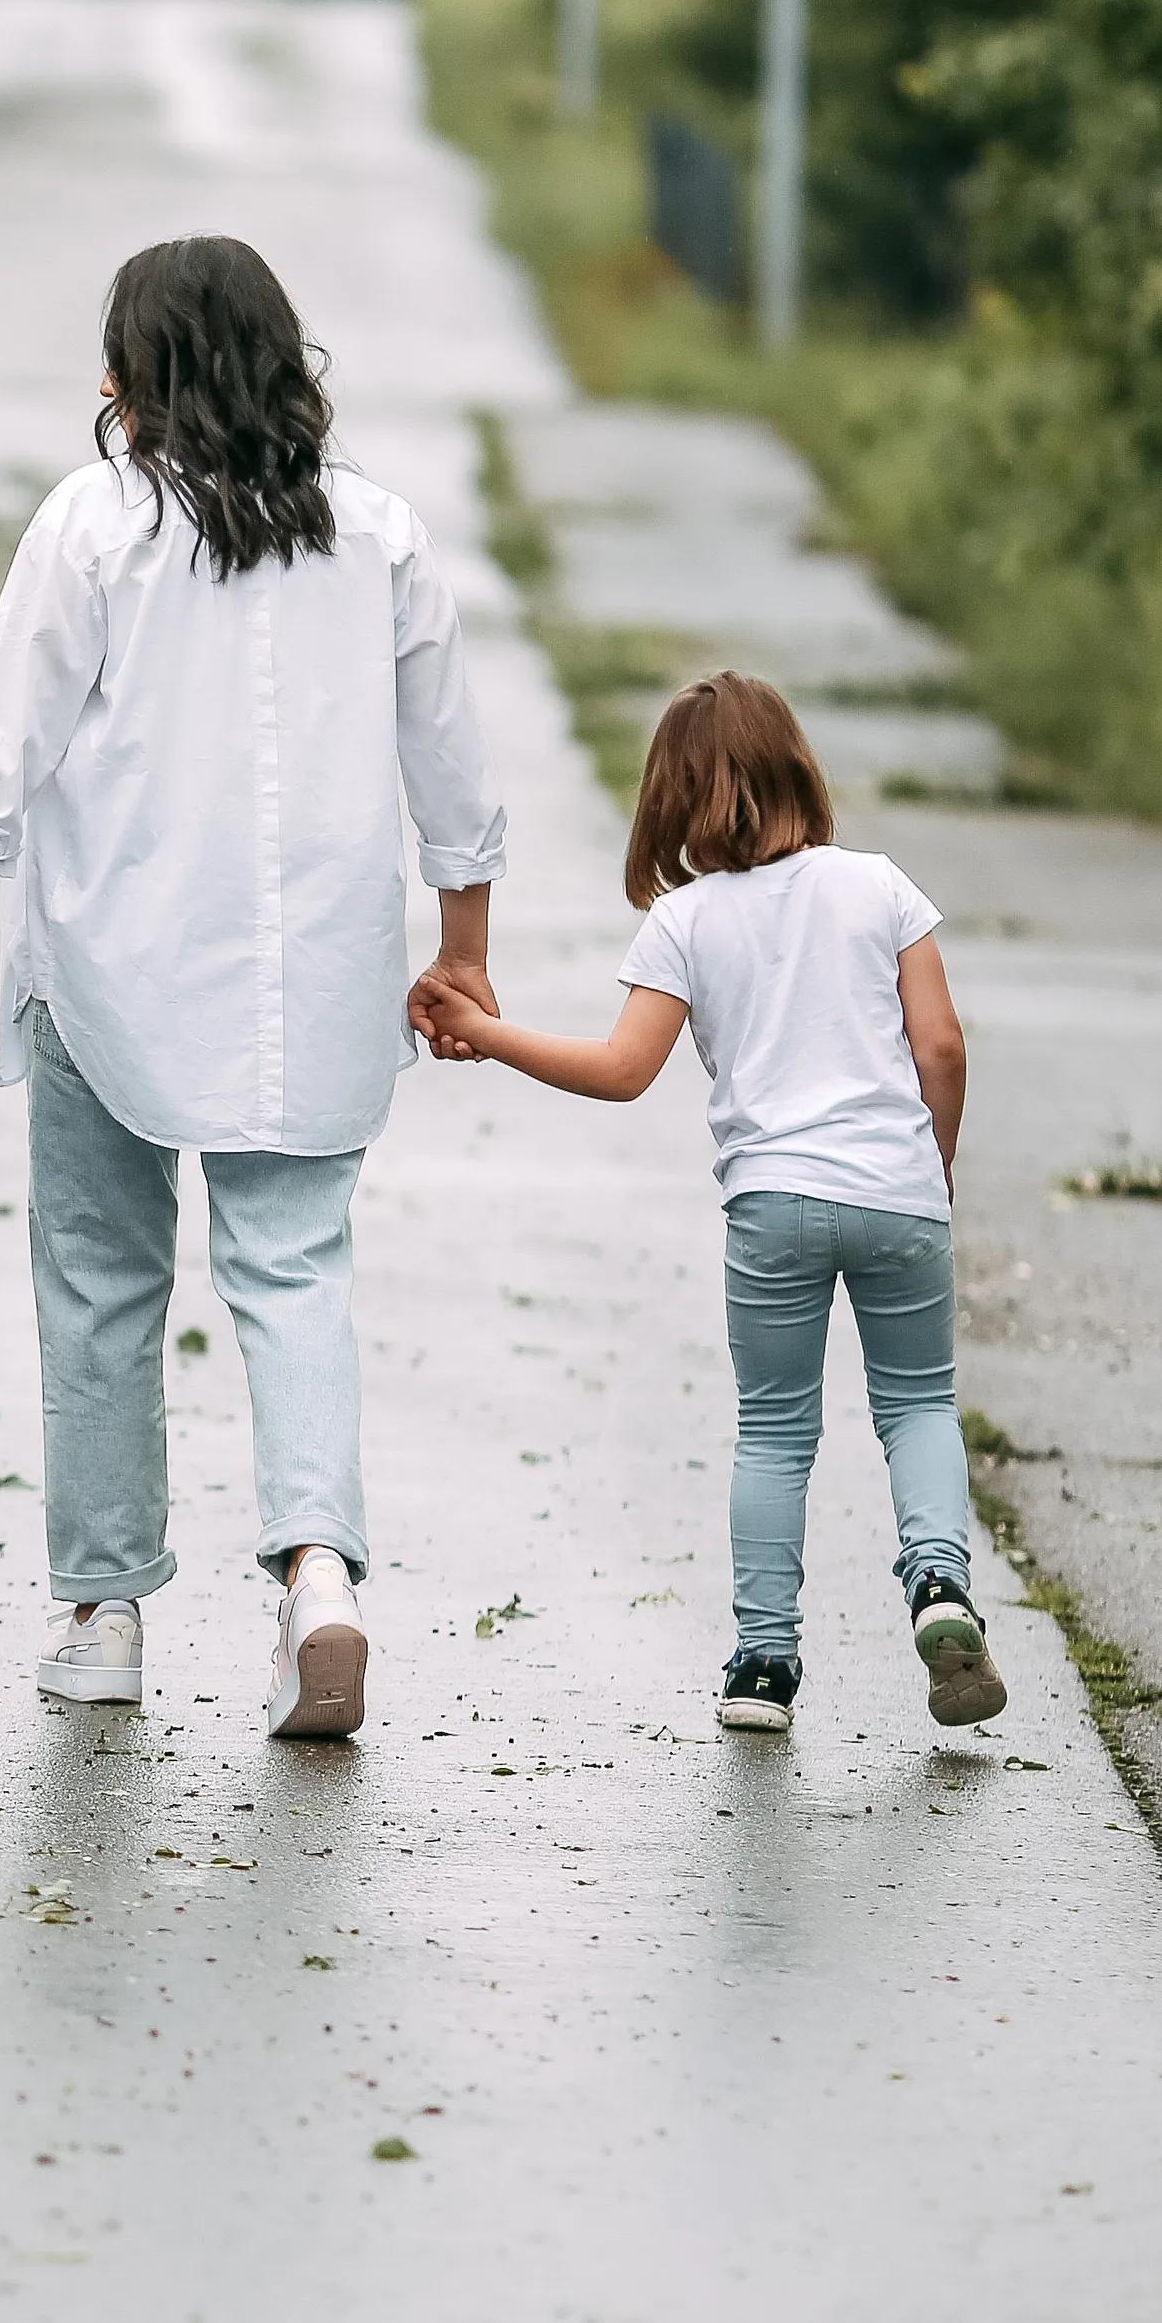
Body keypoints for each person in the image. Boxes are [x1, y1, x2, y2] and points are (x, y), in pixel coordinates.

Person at [0, 235, 503, 1743]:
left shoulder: (96, 523)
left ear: (130, 375)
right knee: (295, 1276)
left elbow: (4, 741)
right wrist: (467, 947)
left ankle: (103, 1617)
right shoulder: (381, 535)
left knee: (101, 1285)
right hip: (318, 981)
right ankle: (318, 1577)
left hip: (111, 967)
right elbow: (455, 772)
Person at [407, 671, 1007, 1736]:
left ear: (672, 800)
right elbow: (942, 1046)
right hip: (900, 1194)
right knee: (915, 1403)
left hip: (774, 1201)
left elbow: (623, 1067)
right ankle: (941, 1586)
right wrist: (934, 1163)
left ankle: (764, 1667)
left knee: (776, 1431)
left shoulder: (685, 919)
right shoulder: (880, 886)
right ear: (796, 767)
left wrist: (488, 1035)